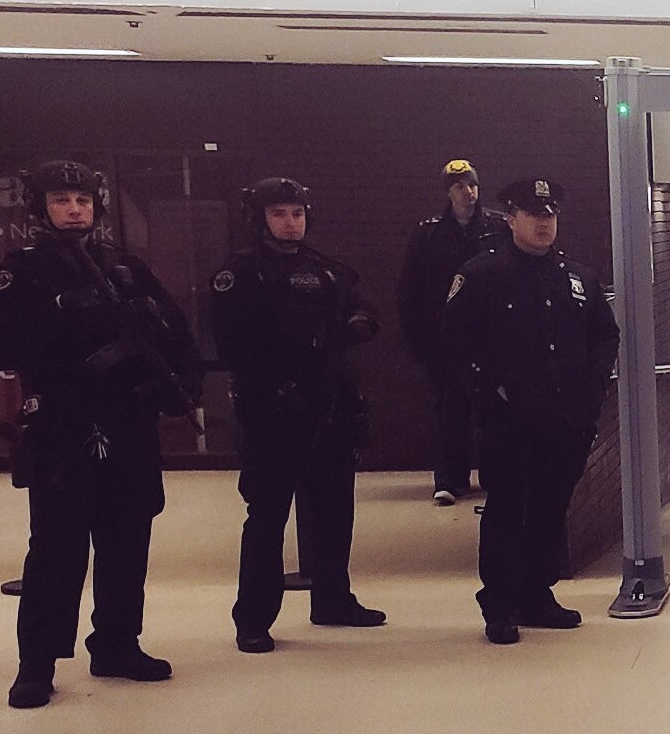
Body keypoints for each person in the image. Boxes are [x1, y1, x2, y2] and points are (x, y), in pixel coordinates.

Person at [0, 160, 202, 709]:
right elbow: (9, 345)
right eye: (62, 201)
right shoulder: (22, 271)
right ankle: (36, 664)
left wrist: (180, 384)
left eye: (82, 201)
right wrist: (64, 311)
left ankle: (116, 645)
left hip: (127, 420)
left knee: (128, 538)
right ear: (42, 209)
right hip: (63, 422)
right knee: (56, 549)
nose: (75, 209)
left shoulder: (126, 266)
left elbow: (174, 332)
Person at [211, 177, 386, 655]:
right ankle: (253, 619)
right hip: (272, 411)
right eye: (279, 214)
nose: (290, 224)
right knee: (266, 517)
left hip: (328, 407)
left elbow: (361, 304)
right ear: (259, 219)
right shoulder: (242, 273)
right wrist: (275, 385)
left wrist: (361, 321)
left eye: (297, 214)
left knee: (333, 511)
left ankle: (333, 600)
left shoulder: (327, 271)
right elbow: (232, 343)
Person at [441, 178, 619, 645]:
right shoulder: (482, 274)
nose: (544, 223)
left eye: (551, 215)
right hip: (511, 419)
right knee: (506, 509)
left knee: (549, 507)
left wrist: (595, 384)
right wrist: (489, 389)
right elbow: (456, 342)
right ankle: (499, 604)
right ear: (511, 218)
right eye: (534, 215)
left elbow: (605, 335)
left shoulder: (577, 276)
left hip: (566, 419)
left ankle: (537, 594)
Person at [396, 159, 508, 506]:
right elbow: (410, 289)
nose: (469, 192)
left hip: (489, 335)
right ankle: (449, 479)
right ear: (448, 191)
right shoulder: (428, 233)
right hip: (444, 337)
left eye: (472, 184)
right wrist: (418, 340)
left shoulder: (497, 227)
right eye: (460, 186)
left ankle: (494, 475)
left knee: (494, 408)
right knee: (450, 410)